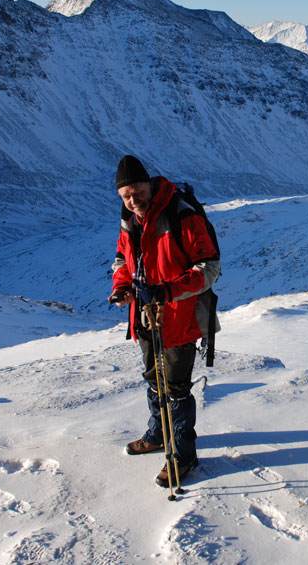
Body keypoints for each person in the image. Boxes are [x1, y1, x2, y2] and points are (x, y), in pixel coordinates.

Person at [108, 154, 220, 487]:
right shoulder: (130, 220)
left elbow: (208, 268)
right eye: (126, 196)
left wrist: (167, 292)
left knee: (175, 388)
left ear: (149, 183)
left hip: (179, 317)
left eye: (136, 191)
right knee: (153, 379)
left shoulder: (180, 213)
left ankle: (182, 456)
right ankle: (158, 435)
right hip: (145, 316)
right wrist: (122, 288)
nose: (133, 200)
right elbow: (123, 260)